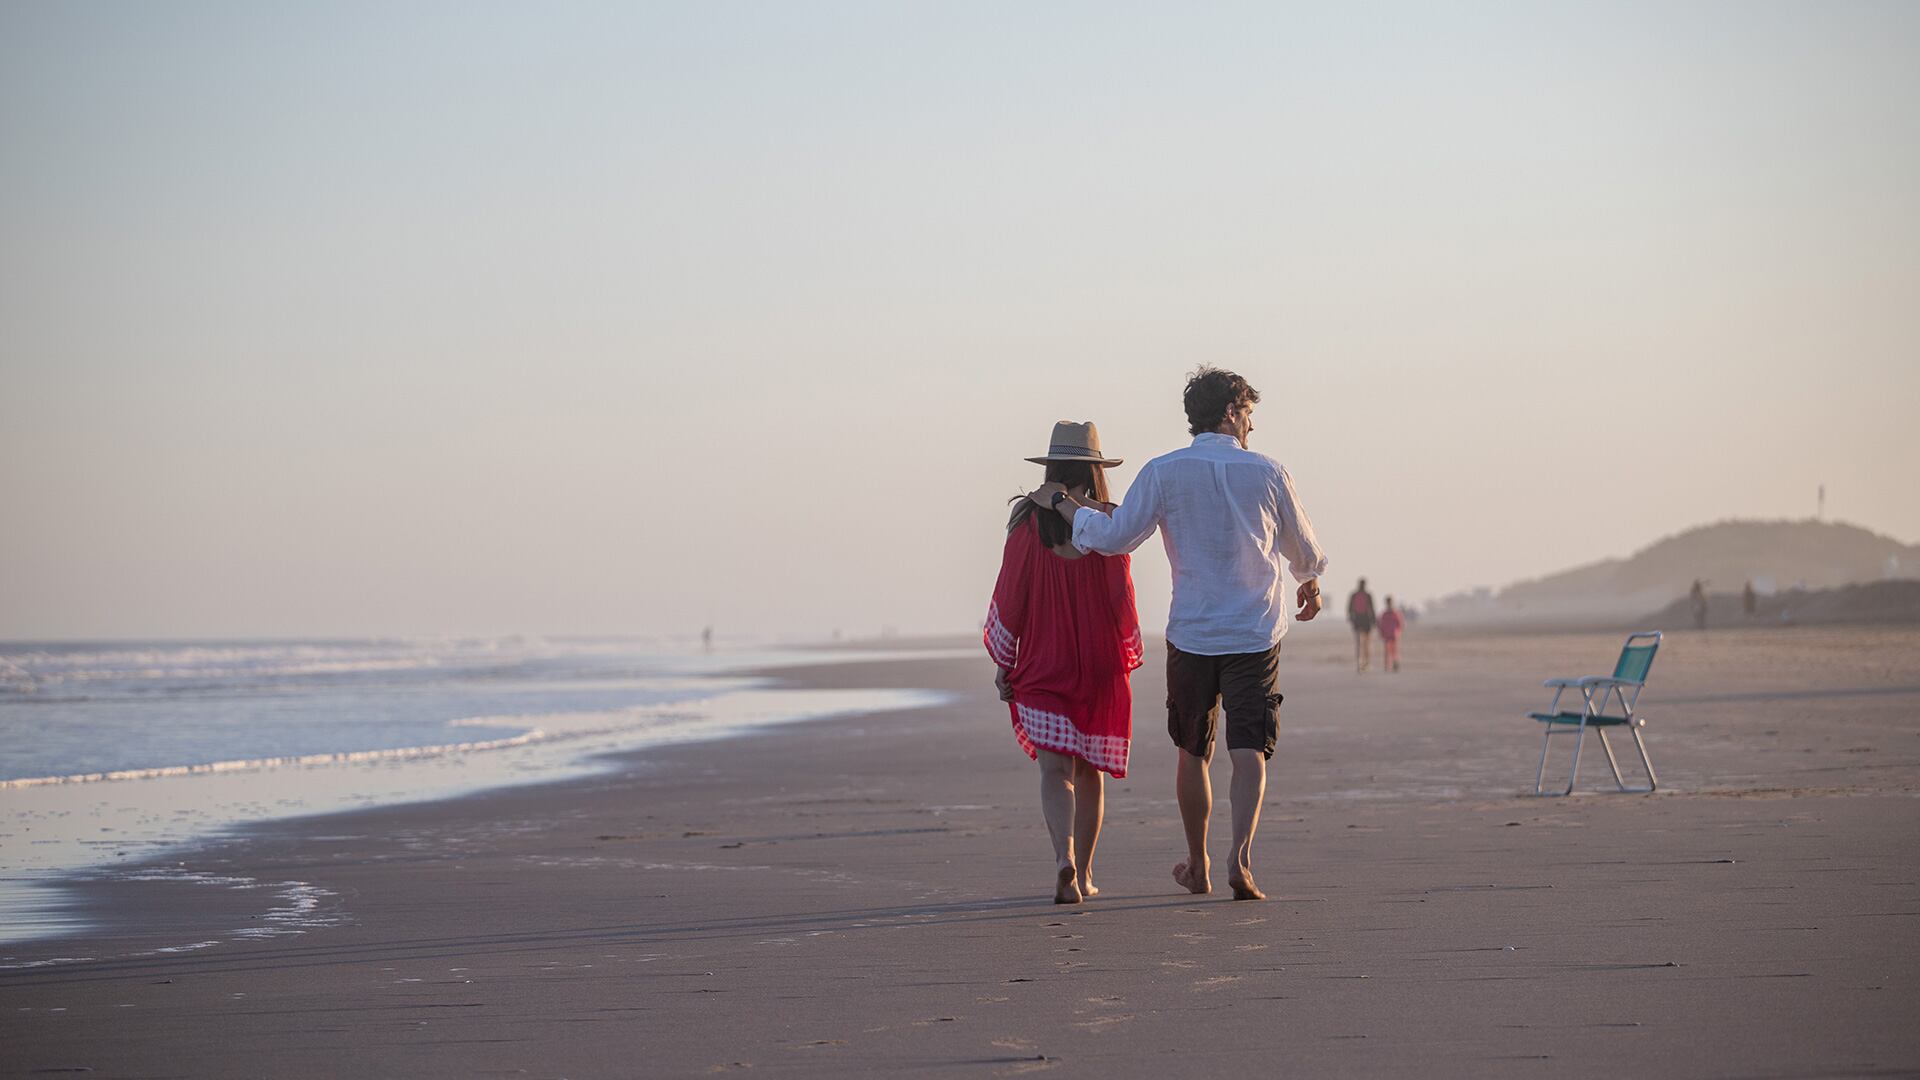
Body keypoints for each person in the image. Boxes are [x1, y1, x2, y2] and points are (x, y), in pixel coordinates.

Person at [1032, 368, 1326, 901]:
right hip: (1254, 631)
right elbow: (1300, 545)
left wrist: (1063, 504)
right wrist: (1308, 580)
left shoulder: (1164, 471)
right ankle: (1239, 858)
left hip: (1192, 631)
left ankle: (1199, 862)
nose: (1253, 425)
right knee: (1249, 750)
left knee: (1193, 751)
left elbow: (1116, 539)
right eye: (1249, 414)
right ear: (1232, 413)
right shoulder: (1267, 471)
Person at [985, 421, 1143, 905]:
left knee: (1055, 772)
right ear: (1095, 471)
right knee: (1090, 771)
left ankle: (1064, 861)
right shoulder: (1108, 522)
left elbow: (1013, 596)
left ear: (1052, 467)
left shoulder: (1028, 524)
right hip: (1095, 660)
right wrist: (1125, 651)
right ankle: (1088, 871)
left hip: (1042, 658)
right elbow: (1122, 599)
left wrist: (1003, 662)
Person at [1347, 578, 1375, 673]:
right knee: (1366, 643)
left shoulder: (1354, 595)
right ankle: (1365, 663)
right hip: (1366, 621)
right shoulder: (1368, 595)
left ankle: (1360, 662)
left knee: (1359, 643)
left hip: (1357, 621)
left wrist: (1351, 618)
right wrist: (1374, 621)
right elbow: (1372, 608)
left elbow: (1349, 608)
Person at [1377, 596, 1404, 673]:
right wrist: (1381, 632)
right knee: (1387, 650)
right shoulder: (1384, 614)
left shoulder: (1395, 613)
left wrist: (1399, 631)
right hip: (1387, 634)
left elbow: (1400, 623)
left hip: (1394, 634)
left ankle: (1395, 663)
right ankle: (1387, 664)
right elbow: (1381, 624)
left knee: (1394, 650)